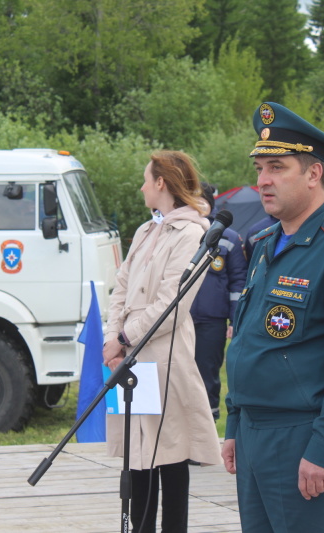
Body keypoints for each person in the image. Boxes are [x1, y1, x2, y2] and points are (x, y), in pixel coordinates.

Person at [222, 102, 324, 533]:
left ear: (313, 174)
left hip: (303, 437)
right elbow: (249, 341)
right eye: (260, 168)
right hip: (256, 433)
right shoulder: (265, 244)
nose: (263, 181)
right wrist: (235, 423)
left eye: (277, 167)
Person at [102, 150, 223, 532]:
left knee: (168, 453)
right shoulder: (144, 231)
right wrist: (111, 340)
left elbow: (172, 303)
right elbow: (119, 289)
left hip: (162, 357)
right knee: (135, 455)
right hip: (127, 359)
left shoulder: (192, 233)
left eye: (145, 179)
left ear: (161, 183)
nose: (141, 186)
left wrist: (124, 336)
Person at [190, 183, 248, 420]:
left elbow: (238, 282)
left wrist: (234, 319)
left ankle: (207, 430)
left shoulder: (229, 238)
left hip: (211, 322)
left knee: (207, 375)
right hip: (178, 319)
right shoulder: (180, 233)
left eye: (201, 201)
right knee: (178, 375)